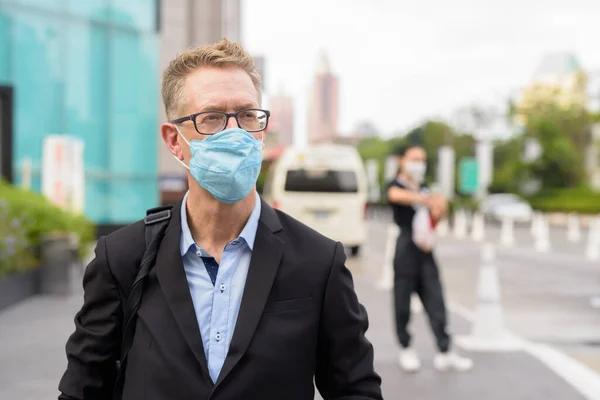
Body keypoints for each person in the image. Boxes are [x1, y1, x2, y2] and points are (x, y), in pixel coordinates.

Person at [58, 39, 382, 400]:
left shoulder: (318, 262)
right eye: (211, 118)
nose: (234, 133)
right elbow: (82, 390)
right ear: (174, 140)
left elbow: (357, 391)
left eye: (247, 115)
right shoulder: (122, 258)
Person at [386, 144, 473, 373]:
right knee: (402, 302)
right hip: (405, 247)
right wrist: (427, 200)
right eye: (414, 159)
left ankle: (445, 350)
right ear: (402, 160)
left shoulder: (425, 187)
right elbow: (395, 196)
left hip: (426, 249)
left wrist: (439, 208)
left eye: (422, 159)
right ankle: (405, 347)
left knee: (436, 300)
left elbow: (438, 212)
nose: (418, 163)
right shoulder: (397, 185)